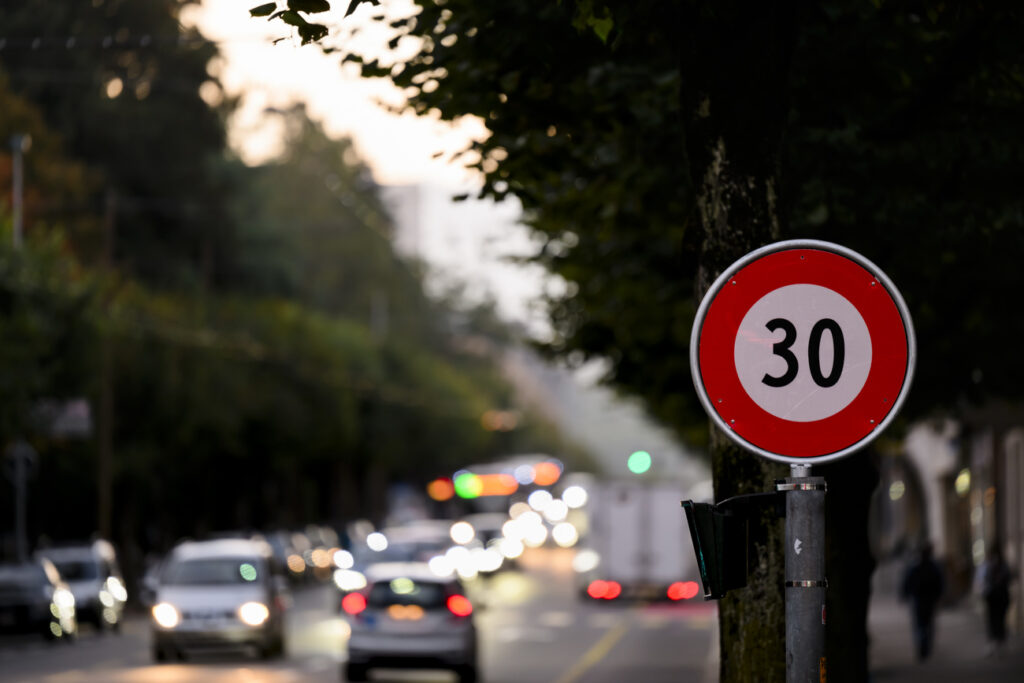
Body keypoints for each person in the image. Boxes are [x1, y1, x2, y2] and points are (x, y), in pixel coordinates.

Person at [900, 541, 945, 661]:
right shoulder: (933, 566)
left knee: (920, 625)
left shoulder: (915, 566)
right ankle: (925, 647)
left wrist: (904, 594)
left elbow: (907, 582)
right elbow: (939, 583)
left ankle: (922, 647)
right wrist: (939, 596)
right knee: (928, 624)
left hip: (919, 599)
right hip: (928, 599)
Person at [978, 544, 1013, 656]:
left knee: (998, 621)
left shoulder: (997, 567)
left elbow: (985, 581)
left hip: (997, 598)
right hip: (995, 598)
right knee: (995, 621)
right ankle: (997, 643)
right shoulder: (993, 567)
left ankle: (998, 643)